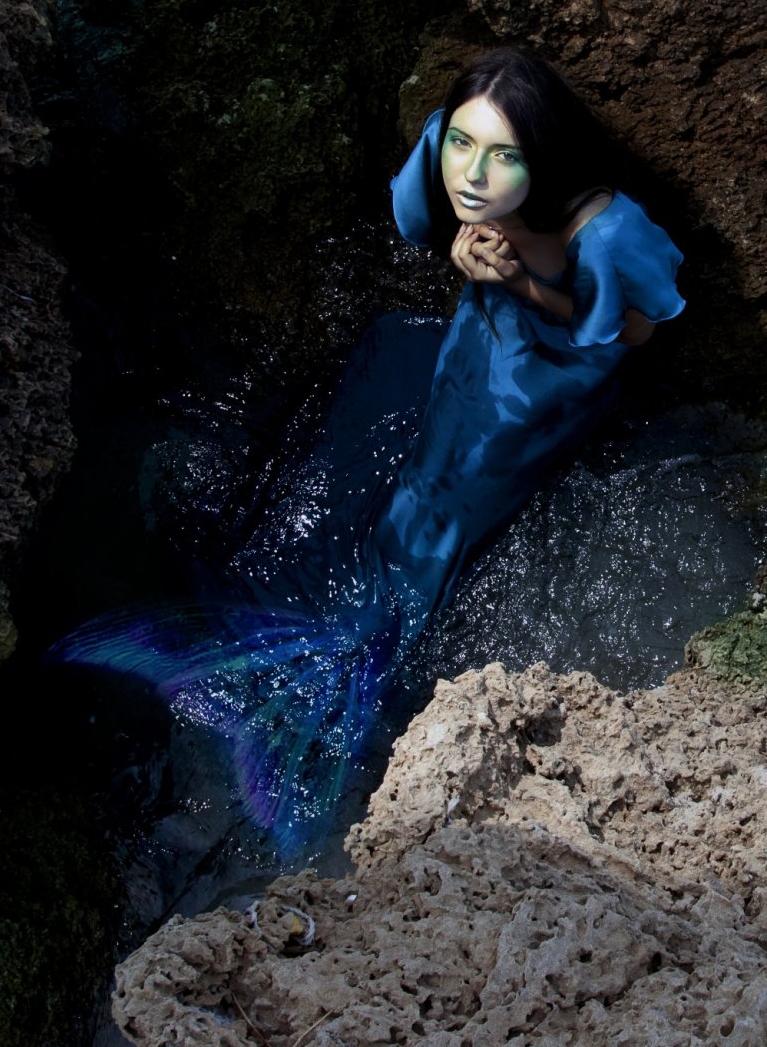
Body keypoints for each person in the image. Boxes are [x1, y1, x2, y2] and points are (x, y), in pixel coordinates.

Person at [54, 48, 684, 853]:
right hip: (476, 343)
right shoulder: (452, 158)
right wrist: (471, 260)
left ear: (545, 157)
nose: (473, 175)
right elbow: (427, 208)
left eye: (504, 156)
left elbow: (636, 330)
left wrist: (518, 281)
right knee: (424, 464)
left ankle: (352, 669)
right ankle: (329, 651)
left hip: (544, 388)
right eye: (462, 144)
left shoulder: (609, 227)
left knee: (441, 515)